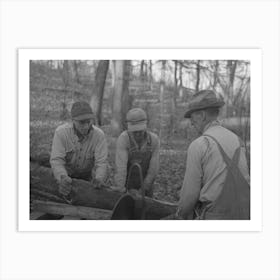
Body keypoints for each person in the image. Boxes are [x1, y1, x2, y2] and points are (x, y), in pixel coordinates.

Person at [177, 90, 250, 220]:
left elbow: (189, 196)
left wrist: (180, 215)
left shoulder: (199, 145)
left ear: (202, 116)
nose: (191, 123)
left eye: (192, 118)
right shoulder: (238, 140)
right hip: (246, 215)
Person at [50, 101, 108, 197]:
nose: (86, 126)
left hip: (86, 177)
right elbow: (57, 160)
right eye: (81, 122)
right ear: (72, 120)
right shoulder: (61, 133)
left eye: (88, 122)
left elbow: (101, 162)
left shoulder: (99, 135)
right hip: (66, 174)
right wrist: (62, 177)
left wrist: (99, 179)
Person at [112, 108, 160, 197]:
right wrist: (120, 188)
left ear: (146, 126)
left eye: (140, 130)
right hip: (127, 183)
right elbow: (120, 168)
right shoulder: (124, 139)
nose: (138, 133)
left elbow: (153, 169)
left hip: (146, 182)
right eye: (134, 131)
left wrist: (144, 188)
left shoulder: (154, 140)